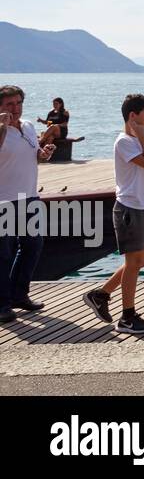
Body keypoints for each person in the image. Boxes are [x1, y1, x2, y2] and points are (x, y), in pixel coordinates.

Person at [83, 94, 144, 335]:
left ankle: (101, 294)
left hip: (143, 206)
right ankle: (127, 317)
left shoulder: (137, 141)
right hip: (128, 208)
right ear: (133, 116)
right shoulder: (124, 141)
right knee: (133, 262)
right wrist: (143, 135)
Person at [0, 85, 55, 323]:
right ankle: (2, 305)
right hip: (4, 200)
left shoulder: (29, 127)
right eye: (9, 104)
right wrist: (2, 126)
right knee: (3, 254)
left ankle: (19, 295)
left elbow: (31, 156)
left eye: (18, 103)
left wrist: (43, 154)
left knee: (33, 246)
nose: (15, 108)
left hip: (29, 197)